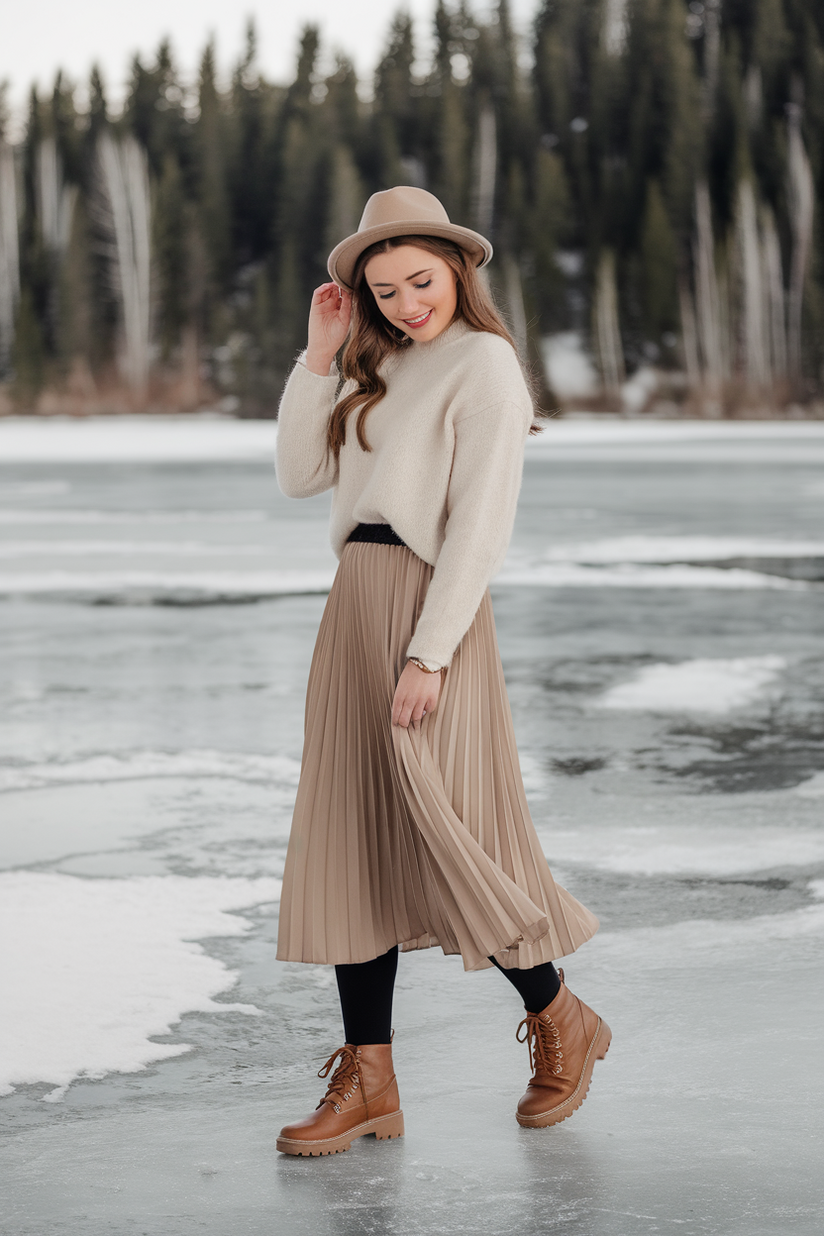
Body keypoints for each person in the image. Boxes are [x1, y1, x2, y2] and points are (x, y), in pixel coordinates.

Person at [274, 186, 609, 1157]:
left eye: (418, 281)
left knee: (453, 831)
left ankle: (559, 1019)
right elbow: (301, 474)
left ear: (457, 271)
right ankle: (368, 1080)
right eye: (383, 289)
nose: (404, 302)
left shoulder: (484, 365)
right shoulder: (375, 365)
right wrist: (318, 357)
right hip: (355, 597)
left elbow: (480, 527)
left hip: (432, 607)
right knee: (352, 838)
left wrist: (430, 651)